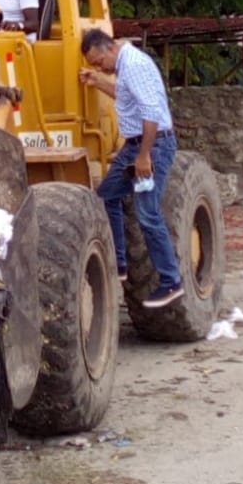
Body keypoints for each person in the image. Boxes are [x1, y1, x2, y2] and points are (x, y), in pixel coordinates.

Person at [79, 28, 183, 308]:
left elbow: (150, 113)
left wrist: (144, 156)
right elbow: (126, 98)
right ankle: (120, 263)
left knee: (147, 213)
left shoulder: (134, 65)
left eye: (98, 62)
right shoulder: (123, 65)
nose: (99, 67)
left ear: (109, 48)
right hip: (135, 145)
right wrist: (98, 81)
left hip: (152, 145)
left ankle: (171, 281)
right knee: (106, 196)